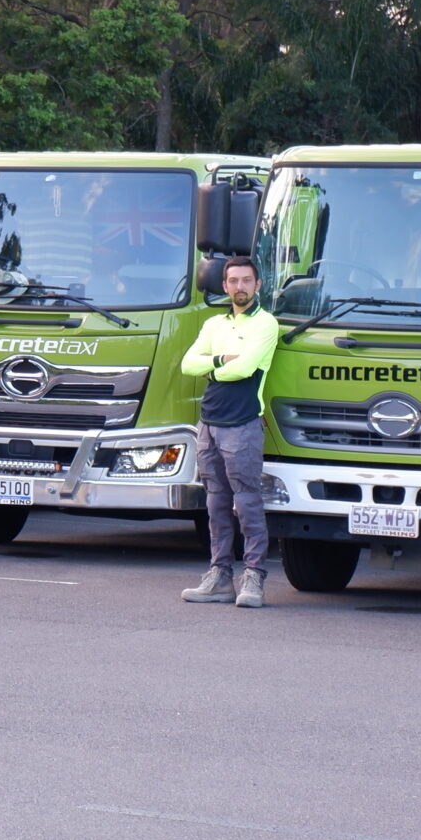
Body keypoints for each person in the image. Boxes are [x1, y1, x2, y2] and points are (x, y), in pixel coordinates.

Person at [179, 256, 280, 608]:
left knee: (248, 502)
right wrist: (221, 360)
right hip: (209, 424)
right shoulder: (213, 324)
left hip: (243, 424)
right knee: (215, 502)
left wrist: (212, 366)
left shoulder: (266, 324)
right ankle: (219, 576)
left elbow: (247, 369)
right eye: (233, 281)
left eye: (246, 281)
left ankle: (253, 578)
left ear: (258, 285)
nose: (239, 287)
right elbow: (187, 364)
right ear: (224, 286)